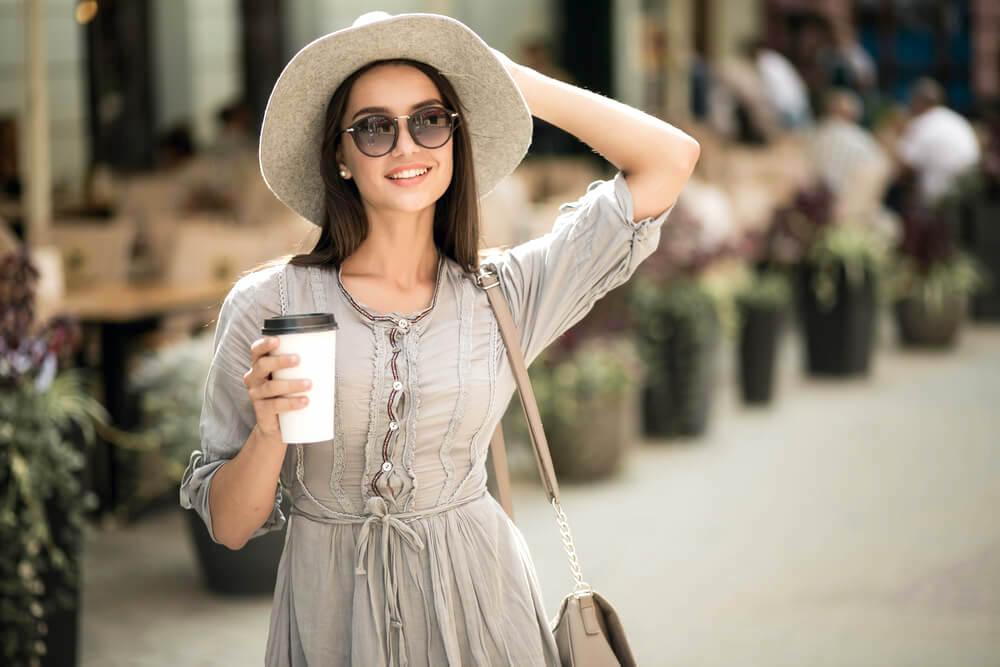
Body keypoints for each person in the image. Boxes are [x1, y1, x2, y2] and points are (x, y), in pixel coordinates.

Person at [179, 11, 698, 667]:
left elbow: (669, 160)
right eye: (373, 128)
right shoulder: (268, 305)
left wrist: (508, 80)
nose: (405, 146)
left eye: (429, 119)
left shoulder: (505, 292)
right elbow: (229, 527)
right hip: (333, 620)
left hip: (484, 611)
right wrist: (267, 433)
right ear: (338, 154)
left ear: (455, 136)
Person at [895, 78, 981, 207]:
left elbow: (903, 167)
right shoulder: (956, 119)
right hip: (971, 195)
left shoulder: (923, 122)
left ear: (919, 102)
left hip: (940, 200)